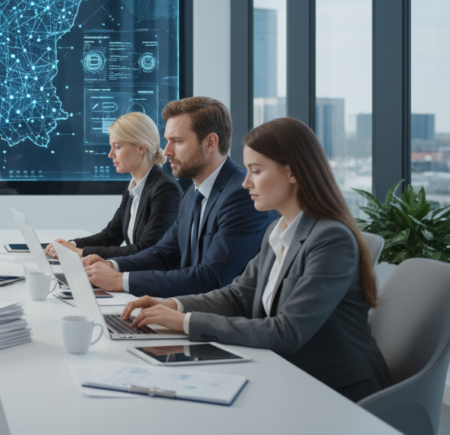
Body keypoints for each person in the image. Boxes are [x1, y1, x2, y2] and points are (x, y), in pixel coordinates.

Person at [121, 118, 392, 402]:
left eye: (256, 171)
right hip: (284, 374)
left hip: (336, 392)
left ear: (293, 173)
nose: (246, 182)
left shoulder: (330, 240)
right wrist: (173, 305)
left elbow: (288, 331)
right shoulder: (278, 230)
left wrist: (186, 321)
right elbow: (239, 295)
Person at [84, 97, 275, 297]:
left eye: (177, 141)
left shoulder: (242, 196)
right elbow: (164, 253)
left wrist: (120, 280)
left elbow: (211, 278)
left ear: (210, 143)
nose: (166, 151)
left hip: (217, 320)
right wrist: (110, 265)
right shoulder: (192, 193)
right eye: (167, 141)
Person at [45, 112, 181, 260]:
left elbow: (146, 249)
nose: (110, 154)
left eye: (117, 147)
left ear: (141, 148)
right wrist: (71, 245)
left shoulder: (165, 189)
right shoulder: (134, 189)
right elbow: (110, 236)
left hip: (151, 279)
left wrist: (81, 252)